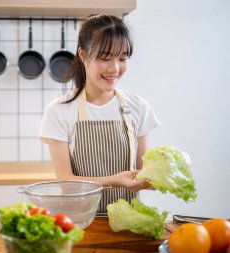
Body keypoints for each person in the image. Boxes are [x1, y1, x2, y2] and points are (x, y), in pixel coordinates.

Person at [38, 14, 160, 216]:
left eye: (122, 58)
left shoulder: (138, 107)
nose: (114, 69)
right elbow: (67, 183)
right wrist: (114, 180)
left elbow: (142, 175)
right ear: (83, 55)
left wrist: (160, 176)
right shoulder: (59, 110)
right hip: (80, 222)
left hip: (128, 223)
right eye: (104, 58)